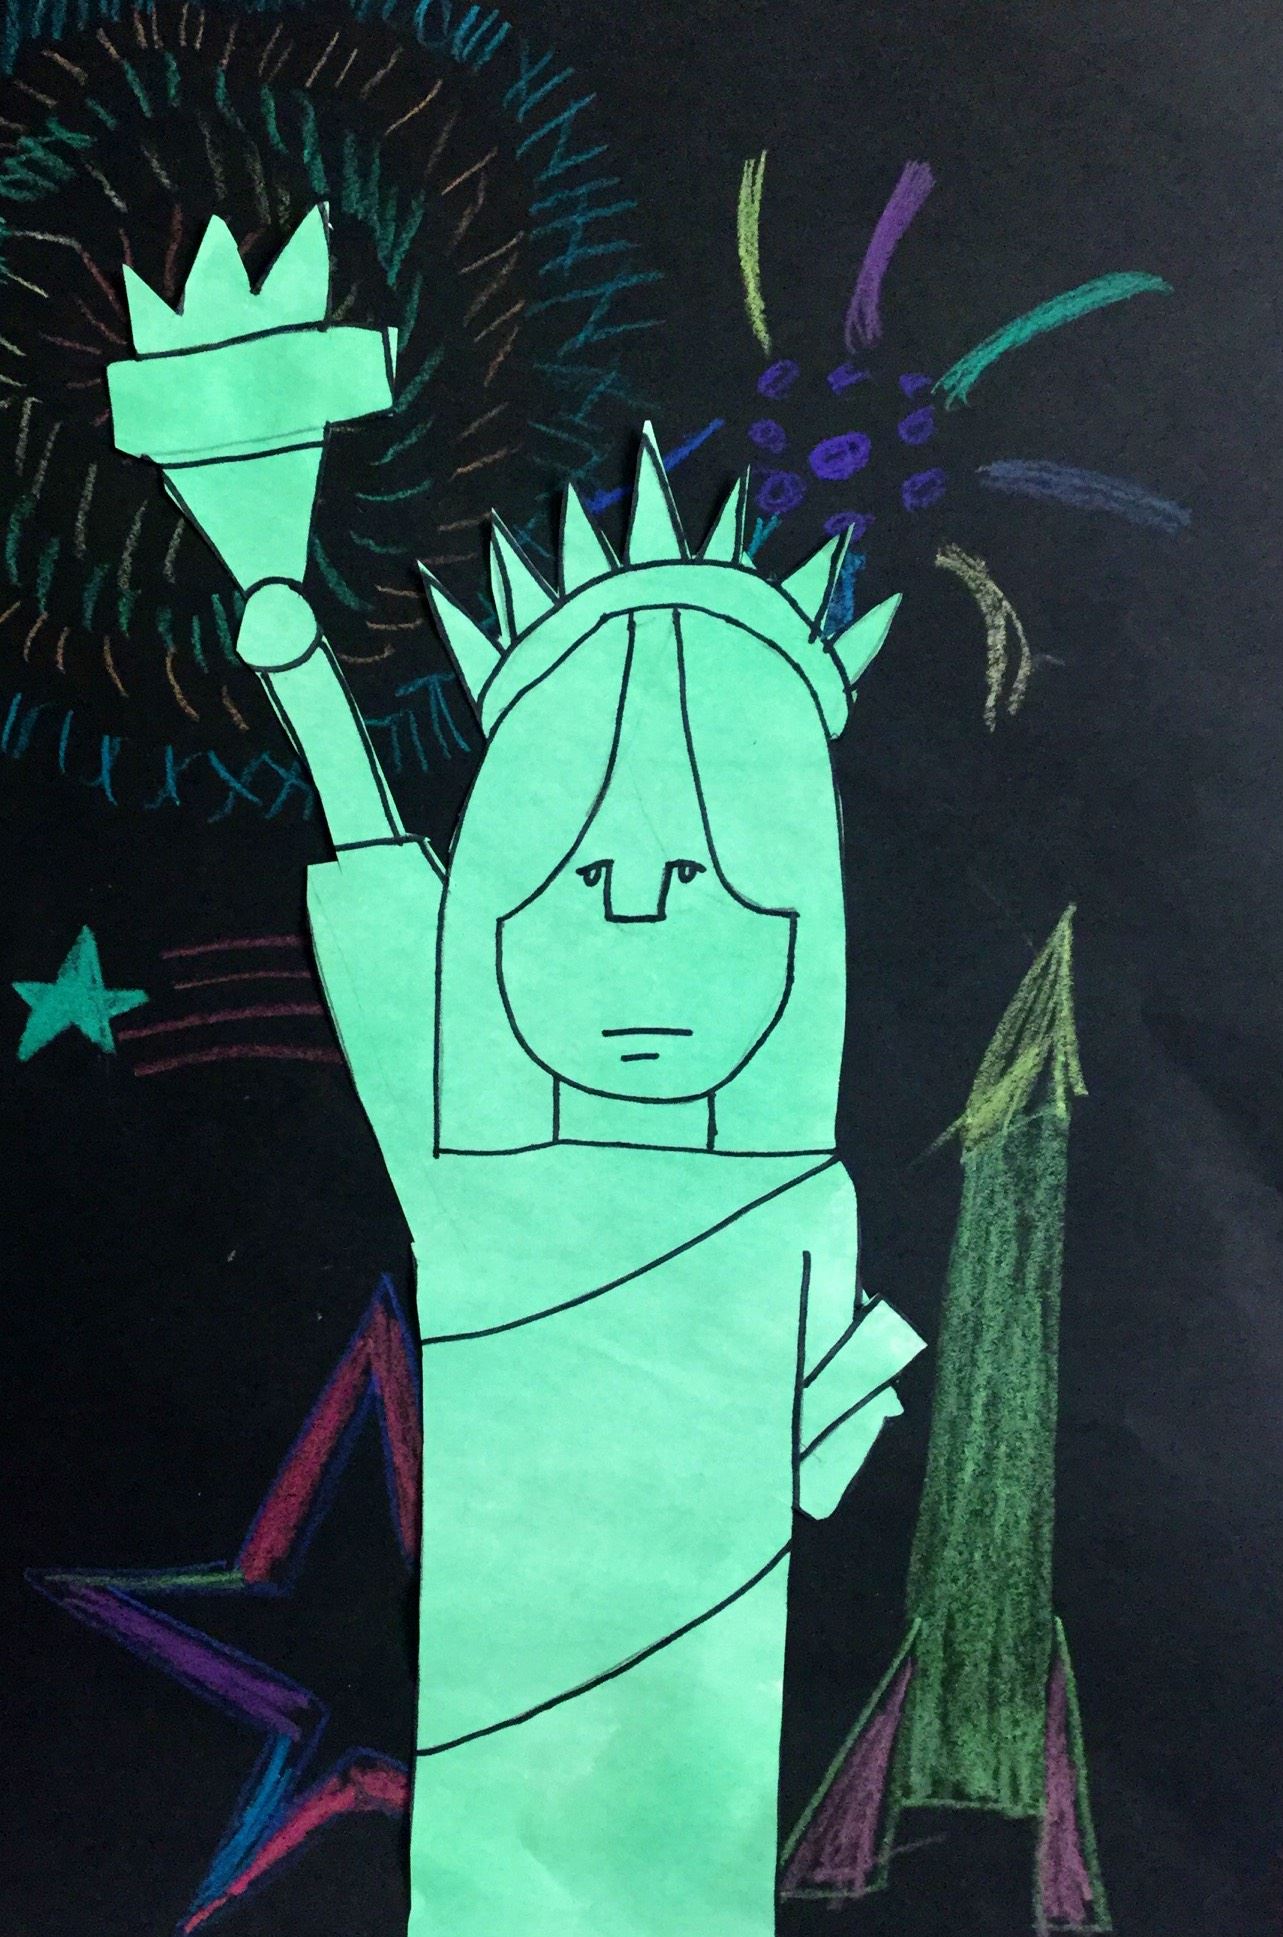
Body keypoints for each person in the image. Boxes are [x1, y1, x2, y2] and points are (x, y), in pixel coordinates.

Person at [230, 426, 923, 1937]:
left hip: (702, 1716)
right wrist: (304, 677)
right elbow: (387, 911)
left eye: (705, 886)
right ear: (503, 906)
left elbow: (829, 1449)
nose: (643, 940)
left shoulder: (803, 1199)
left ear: (797, 910)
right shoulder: (479, 1172)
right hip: (504, 1721)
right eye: (586, 884)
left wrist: (777, 1435)